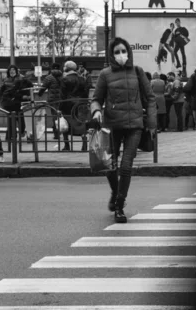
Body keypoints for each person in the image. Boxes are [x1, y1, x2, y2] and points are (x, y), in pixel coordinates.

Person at [91, 37, 157, 223]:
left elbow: (150, 98)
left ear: (129, 52)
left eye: (123, 51)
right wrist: (96, 111)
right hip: (112, 126)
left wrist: (151, 124)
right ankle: (115, 191)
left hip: (134, 126)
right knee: (110, 166)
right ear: (112, 55)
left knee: (126, 166)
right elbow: (96, 98)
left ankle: (120, 205)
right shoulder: (105, 74)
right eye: (117, 52)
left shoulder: (138, 71)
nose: (121, 55)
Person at [59, 61, 90, 151]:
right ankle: (84, 145)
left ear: (67, 68)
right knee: (81, 124)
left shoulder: (64, 79)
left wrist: (60, 107)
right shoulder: (82, 79)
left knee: (66, 124)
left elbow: (62, 95)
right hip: (80, 105)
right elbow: (85, 93)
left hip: (68, 105)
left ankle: (67, 145)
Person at [0, 65, 32, 142]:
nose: (12, 71)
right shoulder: (6, 80)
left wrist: (27, 96)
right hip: (8, 102)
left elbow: (29, 87)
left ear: (16, 71)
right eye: (10, 70)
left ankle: (21, 131)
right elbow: (1, 91)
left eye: (13, 70)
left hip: (18, 102)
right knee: (10, 119)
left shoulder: (22, 78)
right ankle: (11, 136)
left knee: (21, 119)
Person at [38, 63, 63, 140]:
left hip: (53, 100)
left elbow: (43, 87)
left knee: (54, 116)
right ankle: (63, 130)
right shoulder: (63, 76)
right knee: (62, 115)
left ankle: (56, 133)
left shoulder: (49, 77)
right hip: (62, 99)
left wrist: (40, 94)